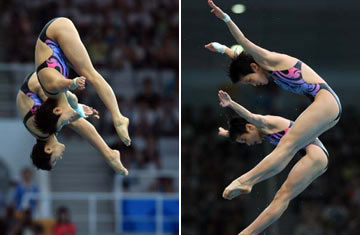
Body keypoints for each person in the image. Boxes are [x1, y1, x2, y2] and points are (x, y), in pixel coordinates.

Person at [206, 0, 341, 228]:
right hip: (324, 113)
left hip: (325, 100)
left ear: (256, 68)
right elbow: (239, 56)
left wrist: (226, 19)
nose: (254, 85)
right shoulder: (259, 67)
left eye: (250, 80)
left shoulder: (269, 59)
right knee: (282, 193)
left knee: (286, 145)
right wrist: (221, 49)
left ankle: (246, 180)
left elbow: (244, 43)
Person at [218, 90, 328, 234]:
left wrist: (231, 104)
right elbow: (246, 126)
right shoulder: (262, 130)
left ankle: (247, 182)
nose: (249, 144)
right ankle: (248, 230)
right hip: (314, 156)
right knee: (281, 196)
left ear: (250, 127)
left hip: (314, 154)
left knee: (283, 193)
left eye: (245, 140)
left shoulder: (266, 122)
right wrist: (227, 133)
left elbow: (250, 116)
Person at [35, 17, 131, 146]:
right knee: (88, 73)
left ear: (57, 111)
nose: (68, 123)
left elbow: (61, 83)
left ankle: (118, 118)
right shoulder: (57, 99)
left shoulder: (51, 85)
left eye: (63, 122)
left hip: (55, 32)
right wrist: (79, 110)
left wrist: (73, 83)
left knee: (90, 74)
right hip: (57, 48)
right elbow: (73, 99)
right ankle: (118, 118)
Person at [16, 72, 128, 175]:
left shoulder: (44, 130)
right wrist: (77, 112)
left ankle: (110, 152)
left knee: (81, 90)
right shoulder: (43, 133)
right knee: (70, 113)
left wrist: (76, 107)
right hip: (39, 82)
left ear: (48, 149)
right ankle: (109, 154)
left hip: (40, 81)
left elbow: (78, 125)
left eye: (55, 159)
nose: (60, 157)